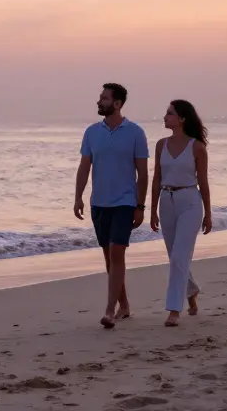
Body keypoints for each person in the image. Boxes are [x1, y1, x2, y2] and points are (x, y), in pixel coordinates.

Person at [74, 82, 149, 329]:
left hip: (125, 203)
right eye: (100, 97)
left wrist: (140, 206)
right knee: (109, 258)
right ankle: (124, 305)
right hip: (99, 203)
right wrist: (78, 197)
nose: (99, 101)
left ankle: (109, 310)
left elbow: (143, 173)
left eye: (104, 98)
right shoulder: (91, 132)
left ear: (117, 103)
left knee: (117, 253)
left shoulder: (135, 132)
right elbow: (85, 166)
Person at [149, 99, 212, 327]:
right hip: (166, 200)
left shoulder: (197, 147)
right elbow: (156, 178)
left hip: (190, 202)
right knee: (175, 256)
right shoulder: (160, 145)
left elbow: (204, 183)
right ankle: (191, 290)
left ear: (182, 118)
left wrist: (208, 213)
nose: (165, 117)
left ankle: (174, 309)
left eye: (170, 113)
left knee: (178, 257)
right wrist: (153, 210)